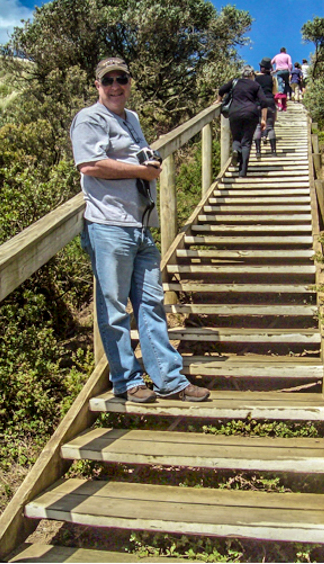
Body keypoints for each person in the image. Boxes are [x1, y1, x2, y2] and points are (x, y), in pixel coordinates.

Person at [70, 57, 210, 403]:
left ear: (129, 82)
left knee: (151, 303)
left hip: (140, 226)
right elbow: (89, 164)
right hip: (108, 225)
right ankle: (127, 381)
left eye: (122, 79)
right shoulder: (89, 118)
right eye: (108, 81)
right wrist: (141, 172)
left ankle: (169, 379)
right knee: (115, 307)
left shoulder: (130, 119)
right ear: (97, 86)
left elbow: (138, 157)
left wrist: (149, 163)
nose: (116, 86)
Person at [215, 66, 270, 177]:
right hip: (251, 114)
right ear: (251, 75)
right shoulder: (255, 85)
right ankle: (242, 173)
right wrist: (263, 119)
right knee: (246, 142)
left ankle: (236, 150)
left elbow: (221, 90)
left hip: (234, 113)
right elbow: (264, 102)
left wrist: (218, 100)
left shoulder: (234, 82)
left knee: (236, 138)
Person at [255, 58, 278, 154]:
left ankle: (258, 151)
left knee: (258, 126)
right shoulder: (272, 78)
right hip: (270, 102)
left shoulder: (256, 79)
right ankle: (273, 151)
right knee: (270, 127)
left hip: (259, 103)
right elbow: (275, 92)